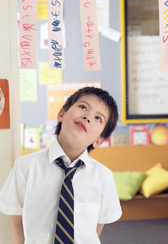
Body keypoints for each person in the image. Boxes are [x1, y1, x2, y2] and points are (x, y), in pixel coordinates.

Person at [0, 87, 122, 244]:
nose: (87, 117)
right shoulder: (25, 167)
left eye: (98, 118)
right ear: (61, 114)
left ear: (99, 140)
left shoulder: (103, 176)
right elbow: (15, 221)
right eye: (83, 107)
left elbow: (97, 226)